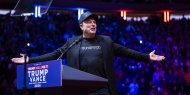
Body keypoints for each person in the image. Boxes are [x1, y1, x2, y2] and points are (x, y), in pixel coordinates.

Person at [11, 11, 165, 95]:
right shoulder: (72, 43)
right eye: (89, 22)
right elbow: (53, 55)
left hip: (103, 90)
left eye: (94, 21)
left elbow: (127, 52)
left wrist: (147, 57)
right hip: (79, 90)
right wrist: (29, 60)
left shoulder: (106, 41)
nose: (93, 23)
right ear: (81, 26)